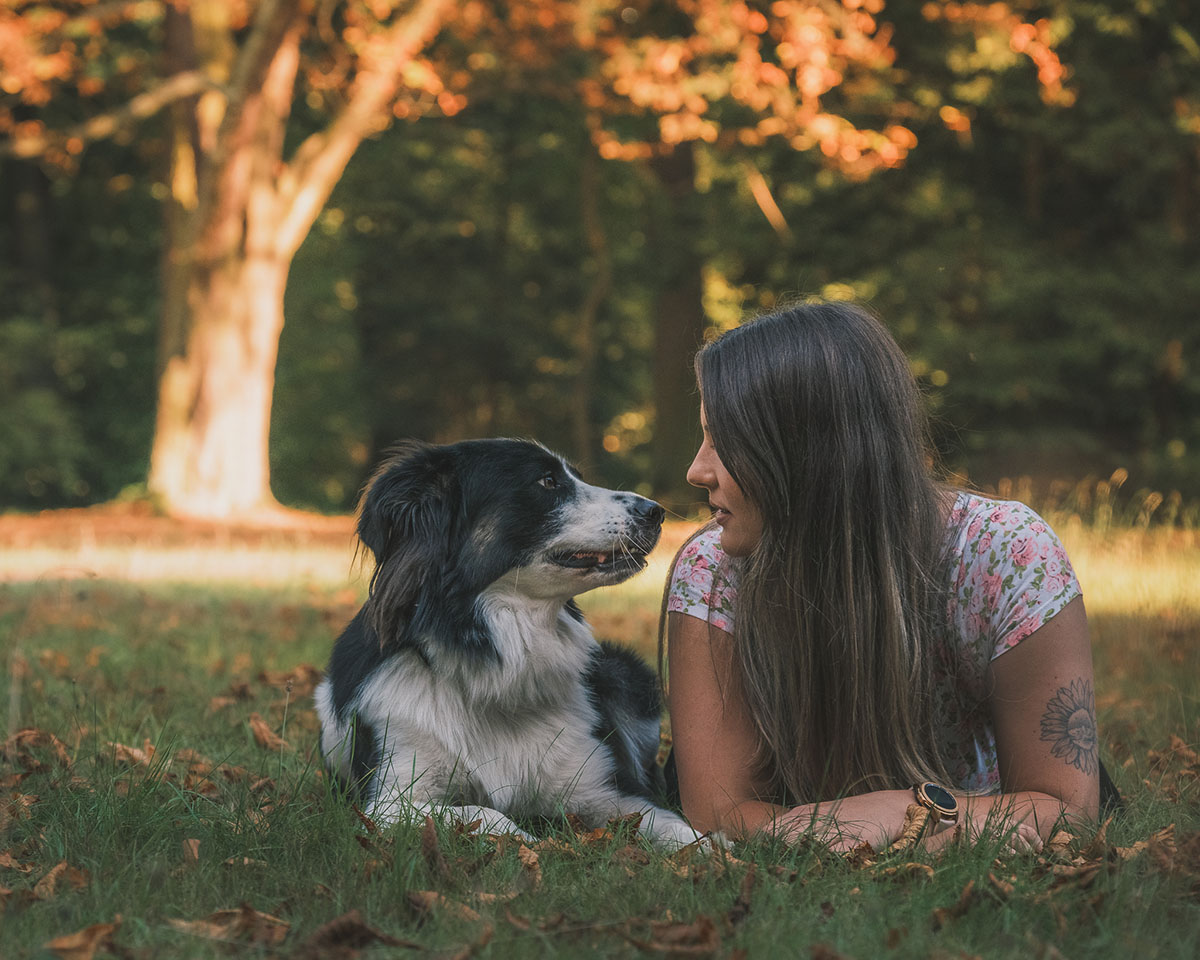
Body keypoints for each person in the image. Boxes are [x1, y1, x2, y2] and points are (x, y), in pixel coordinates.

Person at [662, 299, 1110, 853]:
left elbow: (1068, 806)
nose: (696, 470)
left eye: (723, 441)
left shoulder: (1008, 555)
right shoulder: (714, 572)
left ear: (810, 451)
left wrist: (907, 813)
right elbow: (718, 812)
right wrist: (870, 822)